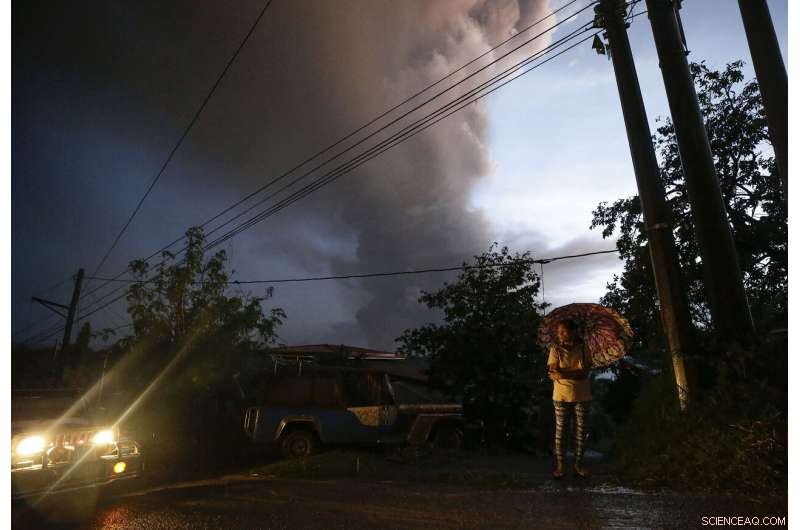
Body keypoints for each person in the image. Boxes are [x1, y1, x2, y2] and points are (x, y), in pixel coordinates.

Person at [547, 319, 591, 479]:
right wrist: (575, 371)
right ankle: (561, 466)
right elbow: (553, 373)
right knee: (561, 432)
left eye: (563, 331)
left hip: (582, 396)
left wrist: (564, 373)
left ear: (573, 332)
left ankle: (578, 465)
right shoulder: (555, 349)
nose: (560, 334)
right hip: (561, 396)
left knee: (581, 432)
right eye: (559, 332)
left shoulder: (584, 348)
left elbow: (585, 373)